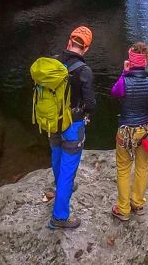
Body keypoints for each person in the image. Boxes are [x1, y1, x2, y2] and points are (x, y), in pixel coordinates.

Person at [110, 42, 148, 222]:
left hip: (125, 131)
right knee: (142, 167)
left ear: (131, 61)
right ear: (146, 62)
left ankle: (123, 209)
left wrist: (124, 72)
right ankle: (138, 203)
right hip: (145, 130)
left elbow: (115, 92)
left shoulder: (124, 82)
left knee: (123, 169)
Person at [47, 25, 96, 230]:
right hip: (73, 124)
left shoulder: (53, 63)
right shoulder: (84, 71)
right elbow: (91, 104)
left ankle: (60, 187)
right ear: (85, 49)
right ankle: (59, 217)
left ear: (69, 41)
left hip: (52, 121)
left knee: (57, 155)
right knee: (69, 167)